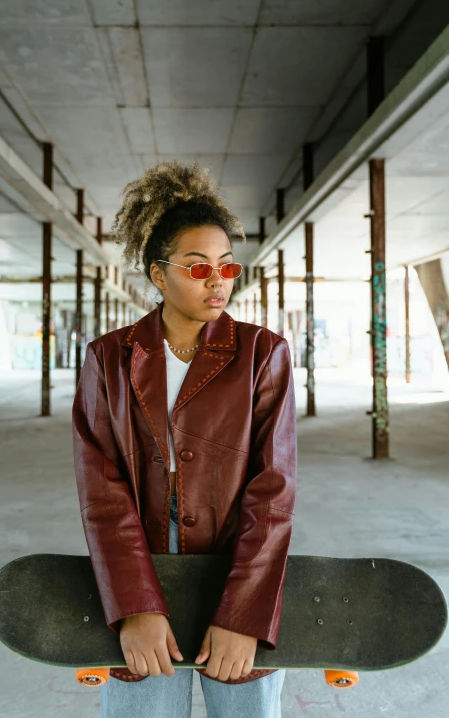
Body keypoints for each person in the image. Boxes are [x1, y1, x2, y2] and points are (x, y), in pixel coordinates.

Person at [72, 160, 297, 718]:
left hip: (237, 562)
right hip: (140, 559)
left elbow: (273, 490)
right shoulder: (108, 358)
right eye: (198, 268)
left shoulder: (262, 353)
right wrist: (134, 606)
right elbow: (102, 491)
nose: (217, 280)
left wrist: (243, 615)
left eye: (227, 265)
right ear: (158, 274)